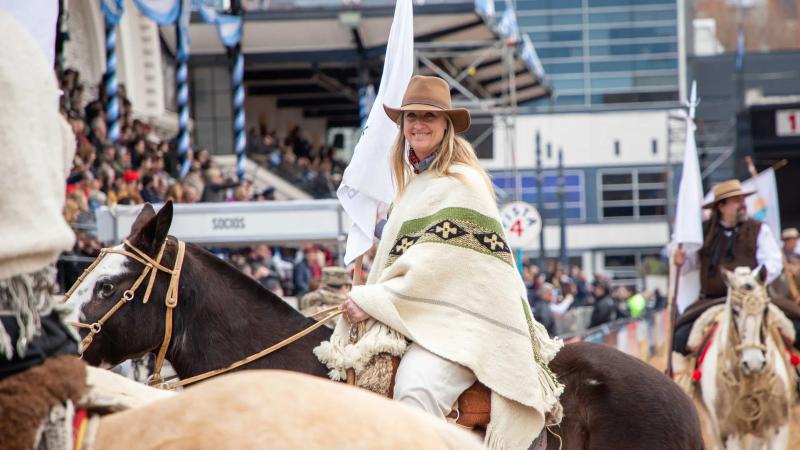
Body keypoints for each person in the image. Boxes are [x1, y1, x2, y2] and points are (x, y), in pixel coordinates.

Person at [315, 76, 562, 450]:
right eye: (412, 116)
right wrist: (379, 241)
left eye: (430, 116)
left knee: (415, 392)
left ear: (446, 124)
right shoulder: (417, 184)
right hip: (424, 322)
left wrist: (372, 299)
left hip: (461, 329)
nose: (419, 124)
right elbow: (421, 254)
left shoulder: (461, 182)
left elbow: (443, 269)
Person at [672, 179, 800, 353]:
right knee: (680, 337)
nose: (743, 204)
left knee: (796, 328)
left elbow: (772, 262)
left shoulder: (759, 229)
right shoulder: (703, 232)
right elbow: (691, 265)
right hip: (713, 300)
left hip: (754, 298)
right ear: (721, 206)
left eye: (742, 199)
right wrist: (681, 261)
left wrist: (748, 281)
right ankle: (685, 379)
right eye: (736, 201)